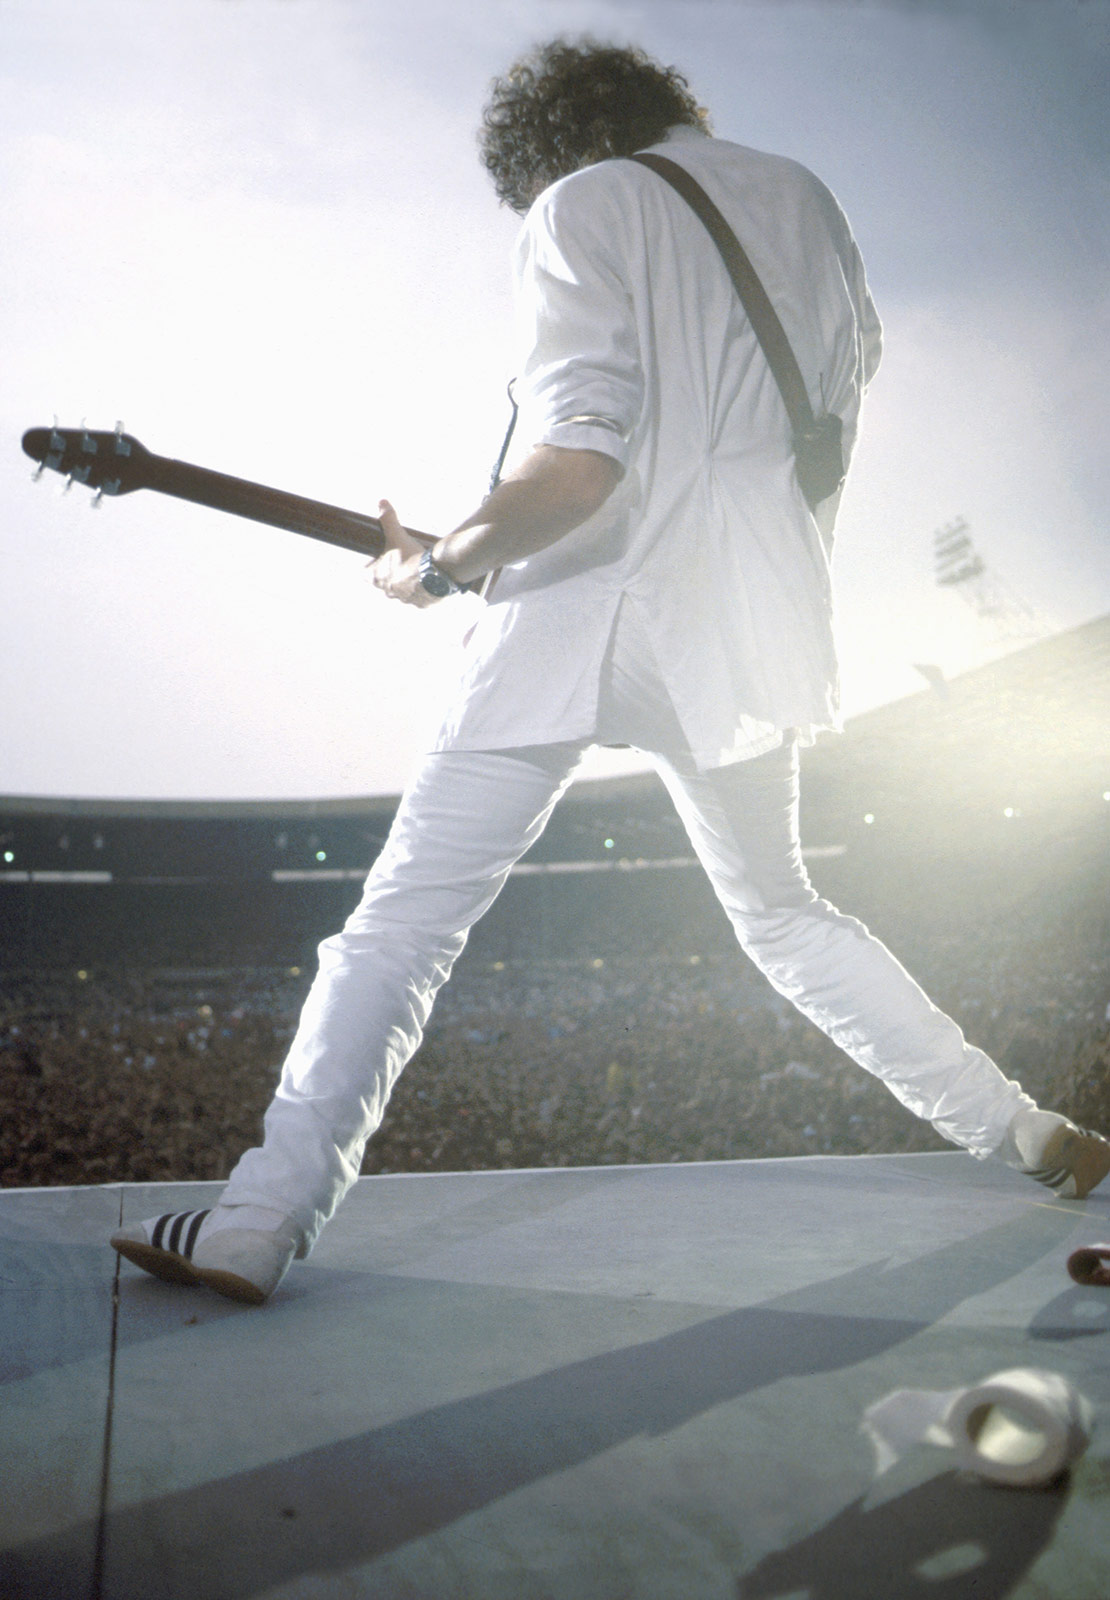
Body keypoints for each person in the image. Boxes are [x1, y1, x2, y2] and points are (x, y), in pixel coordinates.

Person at [111, 39, 1109, 1304]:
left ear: (551, 143)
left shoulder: (583, 203)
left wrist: (443, 567)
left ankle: (259, 1222)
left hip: (584, 608)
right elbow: (816, 441)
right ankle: (1025, 1130)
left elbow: (578, 470)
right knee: (788, 915)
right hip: (750, 616)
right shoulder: (810, 201)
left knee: (402, 930)